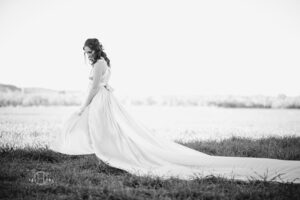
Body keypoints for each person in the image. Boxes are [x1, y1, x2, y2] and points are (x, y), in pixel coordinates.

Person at [49, 38, 300, 183]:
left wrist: (84, 106)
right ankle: (103, 152)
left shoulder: (99, 63)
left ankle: (107, 155)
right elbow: (103, 81)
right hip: (106, 98)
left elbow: (93, 88)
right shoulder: (105, 62)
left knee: (99, 129)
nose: (87, 56)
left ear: (96, 50)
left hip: (99, 101)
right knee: (105, 131)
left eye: (89, 52)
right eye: (85, 53)